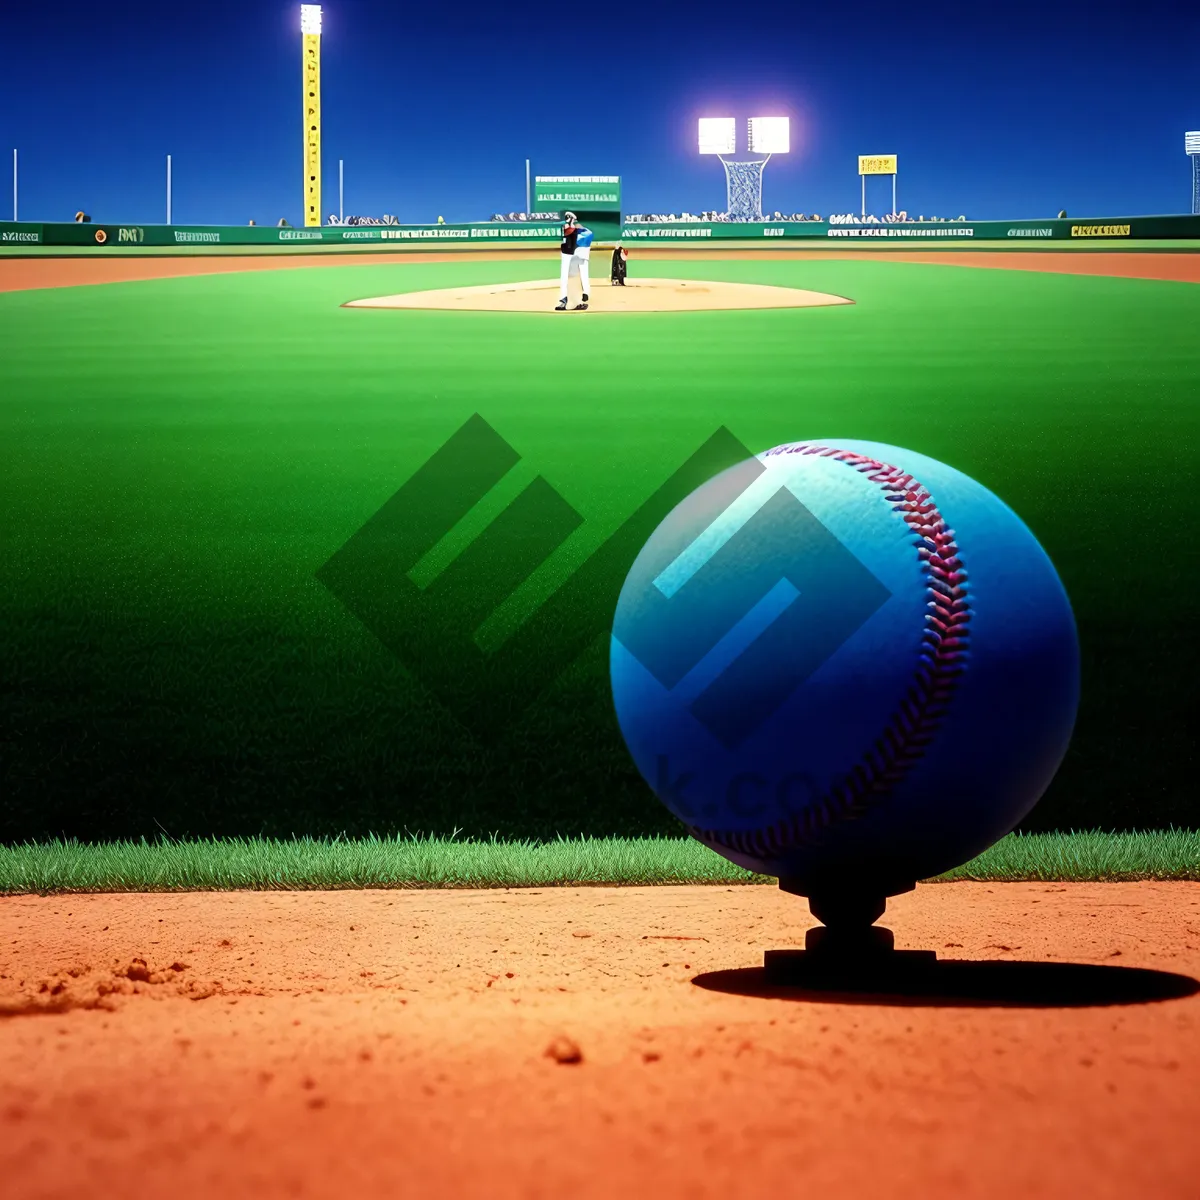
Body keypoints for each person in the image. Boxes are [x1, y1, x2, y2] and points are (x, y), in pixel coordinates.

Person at [556, 211, 593, 311]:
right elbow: (567, 230)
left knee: (569, 277)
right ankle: (573, 300)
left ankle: (571, 300)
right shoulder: (570, 229)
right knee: (572, 278)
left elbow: (571, 231)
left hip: (570, 254)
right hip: (570, 254)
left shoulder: (580, 231)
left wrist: (572, 224)